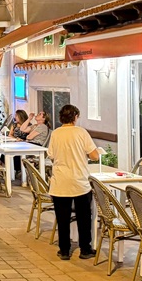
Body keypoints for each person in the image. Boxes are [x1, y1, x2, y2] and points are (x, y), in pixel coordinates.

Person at [46, 104, 100, 261]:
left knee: (62, 218)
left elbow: (52, 155)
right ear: (75, 117)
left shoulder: (56, 134)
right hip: (79, 181)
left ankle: (64, 250)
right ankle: (85, 249)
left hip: (60, 181)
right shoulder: (81, 133)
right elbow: (95, 155)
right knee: (84, 217)